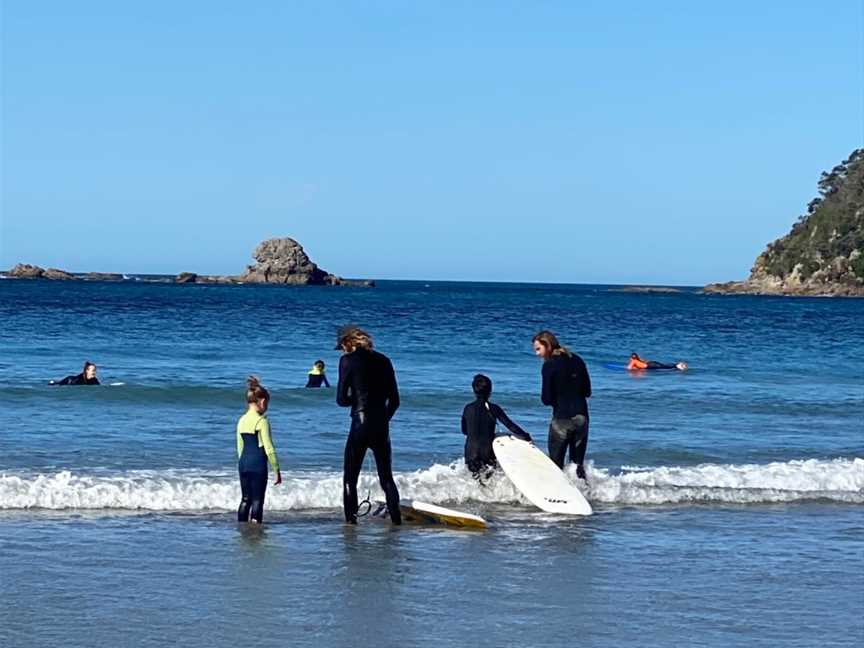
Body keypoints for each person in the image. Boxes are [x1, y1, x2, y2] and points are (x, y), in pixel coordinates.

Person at [335, 326, 402, 525]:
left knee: (350, 478)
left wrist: (355, 401)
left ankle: (350, 523)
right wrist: (383, 418)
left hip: (360, 422)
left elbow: (340, 399)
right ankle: (396, 521)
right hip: (381, 424)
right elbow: (395, 400)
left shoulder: (347, 361)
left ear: (348, 343)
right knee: (387, 478)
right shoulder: (384, 361)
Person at [532, 330, 592, 478]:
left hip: (562, 419)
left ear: (548, 345)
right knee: (577, 466)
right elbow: (587, 391)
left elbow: (546, 399)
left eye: (538, 349)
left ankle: (557, 498)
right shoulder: (577, 359)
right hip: (582, 417)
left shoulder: (549, 365)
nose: (537, 354)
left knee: (555, 467)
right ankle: (584, 493)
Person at [462, 374, 532, 479]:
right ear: (490, 391)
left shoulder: (468, 408)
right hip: (487, 452)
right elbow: (510, 425)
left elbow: (464, 431)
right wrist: (526, 436)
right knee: (489, 479)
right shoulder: (494, 408)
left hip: (470, 452)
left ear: (474, 390)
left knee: (475, 480)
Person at [236, 376, 282, 524]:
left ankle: (242, 527)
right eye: (267, 403)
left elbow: (240, 447)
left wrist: (243, 463)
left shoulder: (241, 420)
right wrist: (276, 470)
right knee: (257, 501)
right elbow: (269, 448)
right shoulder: (262, 421)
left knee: (245, 499)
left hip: (243, 464)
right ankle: (255, 530)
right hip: (257, 465)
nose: (267, 406)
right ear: (262, 401)